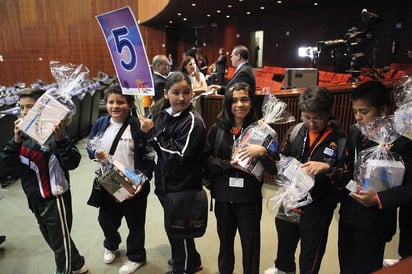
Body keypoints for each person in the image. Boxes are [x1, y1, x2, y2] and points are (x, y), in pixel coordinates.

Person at [0, 88, 88, 274]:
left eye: (30, 107)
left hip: (55, 199)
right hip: (34, 198)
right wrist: (15, 141)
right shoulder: (21, 136)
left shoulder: (53, 135)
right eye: (22, 107)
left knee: (60, 246)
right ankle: (78, 263)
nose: (24, 112)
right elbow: (5, 166)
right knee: (55, 240)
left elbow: (73, 162)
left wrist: (61, 139)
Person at [264, 86, 347, 274]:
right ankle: (284, 269)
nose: (311, 123)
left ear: (328, 114)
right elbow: (281, 159)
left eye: (316, 118)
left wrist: (328, 169)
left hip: (318, 208)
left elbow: (345, 176)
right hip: (289, 200)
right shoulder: (295, 131)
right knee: (285, 243)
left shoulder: (340, 139)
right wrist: (267, 153)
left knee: (311, 253)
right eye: (306, 117)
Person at [337, 80, 412, 274]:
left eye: (364, 112)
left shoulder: (401, 141)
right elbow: (348, 168)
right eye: (355, 112)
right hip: (348, 215)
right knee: (346, 265)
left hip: (375, 221)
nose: (358, 117)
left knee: (367, 268)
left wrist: (379, 198)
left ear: (382, 110)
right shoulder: (354, 132)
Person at [203, 82, 278, 274]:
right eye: (234, 100)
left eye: (244, 99)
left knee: (250, 245)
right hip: (223, 198)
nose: (239, 104)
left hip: (249, 199)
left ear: (252, 102)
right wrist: (229, 164)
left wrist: (262, 151)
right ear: (227, 104)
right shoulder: (217, 129)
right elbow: (206, 161)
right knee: (225, 244)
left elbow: (274, 168)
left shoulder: (262, 131)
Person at [139, 72, 206, 274]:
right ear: (166, 93)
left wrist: (152, 134)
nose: (182, 98)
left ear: (192, 93)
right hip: (166, 184)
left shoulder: (193, 121)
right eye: (176, 92)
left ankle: (183, 268)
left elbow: (179, 155)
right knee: (177, 228)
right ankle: (192, 261)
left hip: (182, 187)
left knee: (179, 233)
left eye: (186, 92)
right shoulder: (164, 113)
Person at [87, 84, 155, 274]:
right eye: (111, 102)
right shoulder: (101, 123)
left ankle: (136, 256)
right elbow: (90, 147)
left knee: (135, 223)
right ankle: (111, 244)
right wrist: (95, 153)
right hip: (109, 181)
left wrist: (143, 178)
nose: (115, 106)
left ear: (131, 104)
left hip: (133, 183)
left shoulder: (138, 126)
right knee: (106, 220)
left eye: (120, 102)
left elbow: (150, 155)